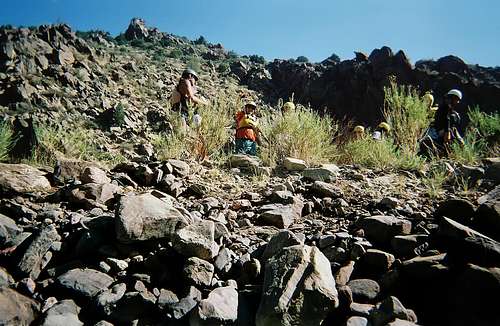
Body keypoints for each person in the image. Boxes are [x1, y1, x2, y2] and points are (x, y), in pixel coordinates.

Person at [420, 89, 464, 155]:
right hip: (439, 132)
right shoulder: (444, 108)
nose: (457, 102)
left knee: (459, 143)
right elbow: (446, 120)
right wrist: (447, 132)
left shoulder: (445, 108)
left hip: (441, 131)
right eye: (456, 100)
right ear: (452, 98)